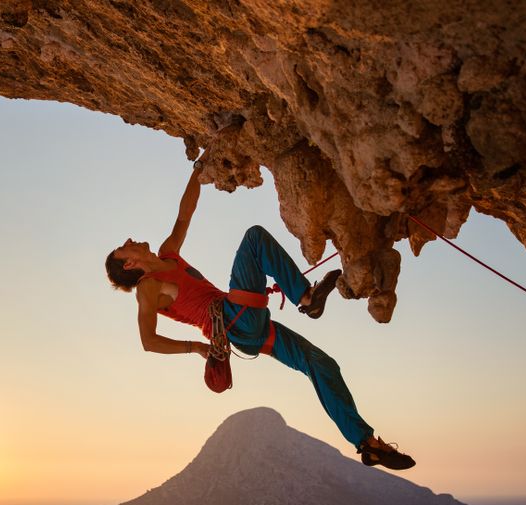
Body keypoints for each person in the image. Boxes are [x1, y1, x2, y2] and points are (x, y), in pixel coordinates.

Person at [104, 156, 415, 471]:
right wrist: (195, 347)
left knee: (322, 366)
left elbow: (185, 214)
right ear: (129, 265)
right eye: (123, 248)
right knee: (254, 240)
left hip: (247, 325)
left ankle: (367, 444)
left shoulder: (168, 253)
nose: (129, 241)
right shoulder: (149, 287)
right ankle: (306, 298)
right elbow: (149, 341)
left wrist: (199, 170)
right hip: (233, 320)